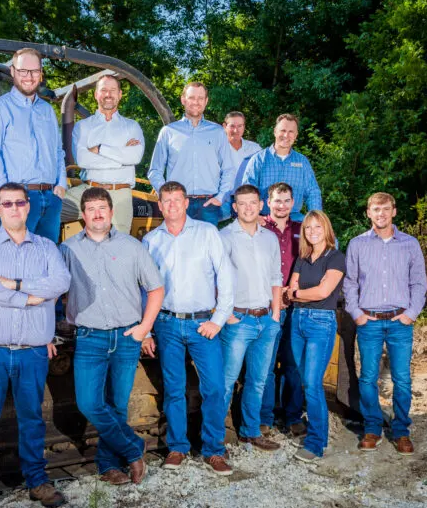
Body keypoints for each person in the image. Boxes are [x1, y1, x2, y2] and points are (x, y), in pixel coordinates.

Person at [0, 183, 71, 508]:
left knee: (33, 419)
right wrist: (29, 297)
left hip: (32, 352)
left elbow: (61, 282)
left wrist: (14, 284)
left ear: (27, 207)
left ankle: (37, 481)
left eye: (19, 203)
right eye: (6, 203)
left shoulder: (46, 247)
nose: (13, 208)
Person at [61, 187, 165, 485]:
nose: (96, 213)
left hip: (126, 337)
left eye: (102, 208)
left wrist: (145, 328)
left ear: (111, 212)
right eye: (91, 208)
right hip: (90, 337)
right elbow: (53, 288)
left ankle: (108, 465)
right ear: (82, 215)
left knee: (117, 405)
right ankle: (134, 447)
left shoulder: (133, 246)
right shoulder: (68, 249)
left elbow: (156, 289)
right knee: (89, 403)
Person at [142, 181, 235, 475]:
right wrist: (145, 329)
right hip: (167, 323)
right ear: (160, 205)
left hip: (202, 323)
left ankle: (214, 450)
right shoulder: (151, 240)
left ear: (185, 203)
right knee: (173, 389)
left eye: (177, 200)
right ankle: (178, 447)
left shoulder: (207, 233)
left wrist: (218, 319)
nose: (171, 205)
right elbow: (144, 288)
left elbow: (226, 277)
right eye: (166, 200)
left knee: (215, 388)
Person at [343, 192, 427, 455]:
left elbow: (419, 282)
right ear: (368, 213)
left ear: (394, 212)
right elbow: (350, 283)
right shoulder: (357, 244)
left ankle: (401, 430)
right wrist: (356, 313)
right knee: (368, 378)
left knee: (401, 379)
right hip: (368, 321)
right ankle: (373, 427)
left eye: (385, 209)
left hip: (400, 321)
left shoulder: (410, 244)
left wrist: (411, 313)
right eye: (375, 209)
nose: (380, 214)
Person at [0, 48, 67, 243]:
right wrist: (6, 194)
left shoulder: (47, 110)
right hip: (19, 199)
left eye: (34, 71)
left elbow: (57, 151)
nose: (29, 76)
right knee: (17, 261)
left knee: (47, 261)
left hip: (51, 199)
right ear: (12, 71)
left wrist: (61, 184)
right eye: (23, 71)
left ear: (41, 73)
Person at [219, 185, 283, 451]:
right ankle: (214, 438)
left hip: (266, 319)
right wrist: (228, 316)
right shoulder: (224, 237)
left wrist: (276, 315)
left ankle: (250, 431)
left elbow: (276, 278)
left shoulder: (270, 238)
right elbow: (215, 280)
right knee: (226, 381)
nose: (247, 208)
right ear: (235, 207)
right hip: (238, 320)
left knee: (258, 380)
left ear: (261, 206)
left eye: (252, 203)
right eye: (242, 203)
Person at [285, 210, 345, 463]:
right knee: (299, 377)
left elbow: (323, 292)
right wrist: (296, 293)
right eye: (308, 228)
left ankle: (316, 442)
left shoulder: (336, 258)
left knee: (312, 382)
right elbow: (290, 288)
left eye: (317, 227)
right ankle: (303, 426)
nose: (312, 232)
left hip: (321, 323)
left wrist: (298, 294)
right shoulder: (303, 258)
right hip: (297, 320)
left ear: (326, 229)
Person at [63, 76, 145, 234]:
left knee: (118, 246)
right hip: (88, 190)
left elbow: (134, 157)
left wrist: (100, 149)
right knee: (48, 209)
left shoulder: (131, 126)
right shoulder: (83, 126)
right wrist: (121, 160)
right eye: (104, 90)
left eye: (112, 90)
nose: (108, 94)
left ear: (120, 94)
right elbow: (82, 159)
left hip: (120, 194)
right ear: (96, 94)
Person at [146, 83, 234, 225]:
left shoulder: (217, 132)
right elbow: (155, 171)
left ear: (206, 101)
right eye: (191, 97)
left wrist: (221, 197)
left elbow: (228, 169)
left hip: (208, 205)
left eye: (200, 98)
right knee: (177, 247)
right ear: (183, 100)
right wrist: (167, 197)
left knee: (207, 247)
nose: (196, 102)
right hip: (177, 204)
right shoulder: (168, 132)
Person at [260, 182, 306, 439]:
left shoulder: (301, 230)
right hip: (267, 307)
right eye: (277, 200)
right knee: (264, 365)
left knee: (293, 364)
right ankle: (264, 417)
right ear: (269, 202)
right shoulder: (259, 228)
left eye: (286, 200)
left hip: (294, 307)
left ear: (293, 203)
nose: (282, 205)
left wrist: (295, 289)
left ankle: (292, 416)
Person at [241, 114, 322, 222]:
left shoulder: (302, 162)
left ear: (296, 135)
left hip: (294, 219)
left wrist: (316, 218)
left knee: (331, 239)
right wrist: (254, 217)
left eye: (291, 132)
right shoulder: (258, 160)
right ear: (275, 131)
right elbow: (247, 192)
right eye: (282, 130)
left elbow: (313, 192)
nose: (286, 135)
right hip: (265, 219)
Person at [220, 111, 260, 218]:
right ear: (224, 126)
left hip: (247, 199)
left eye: (240, 126)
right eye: (232, 126)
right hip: (223, 199)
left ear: (244, 127)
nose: (236, 130)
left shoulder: (255, 149)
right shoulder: (216, 148)